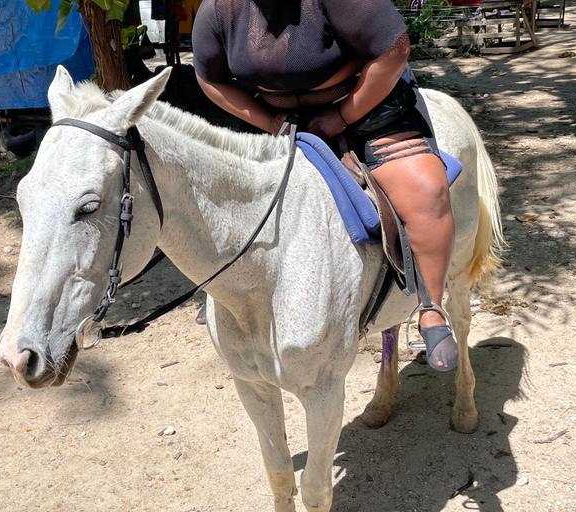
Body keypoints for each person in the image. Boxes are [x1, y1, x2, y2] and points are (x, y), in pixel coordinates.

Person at [190, 0, 458, 371]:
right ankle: (226, 291)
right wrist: (270, 122)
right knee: (222, 197)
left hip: (366, 105)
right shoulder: (219, 9)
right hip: (278, 118)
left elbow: (394, 51)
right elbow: (209, 78)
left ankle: (431, 308)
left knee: (425, 190)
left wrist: (345, 114)